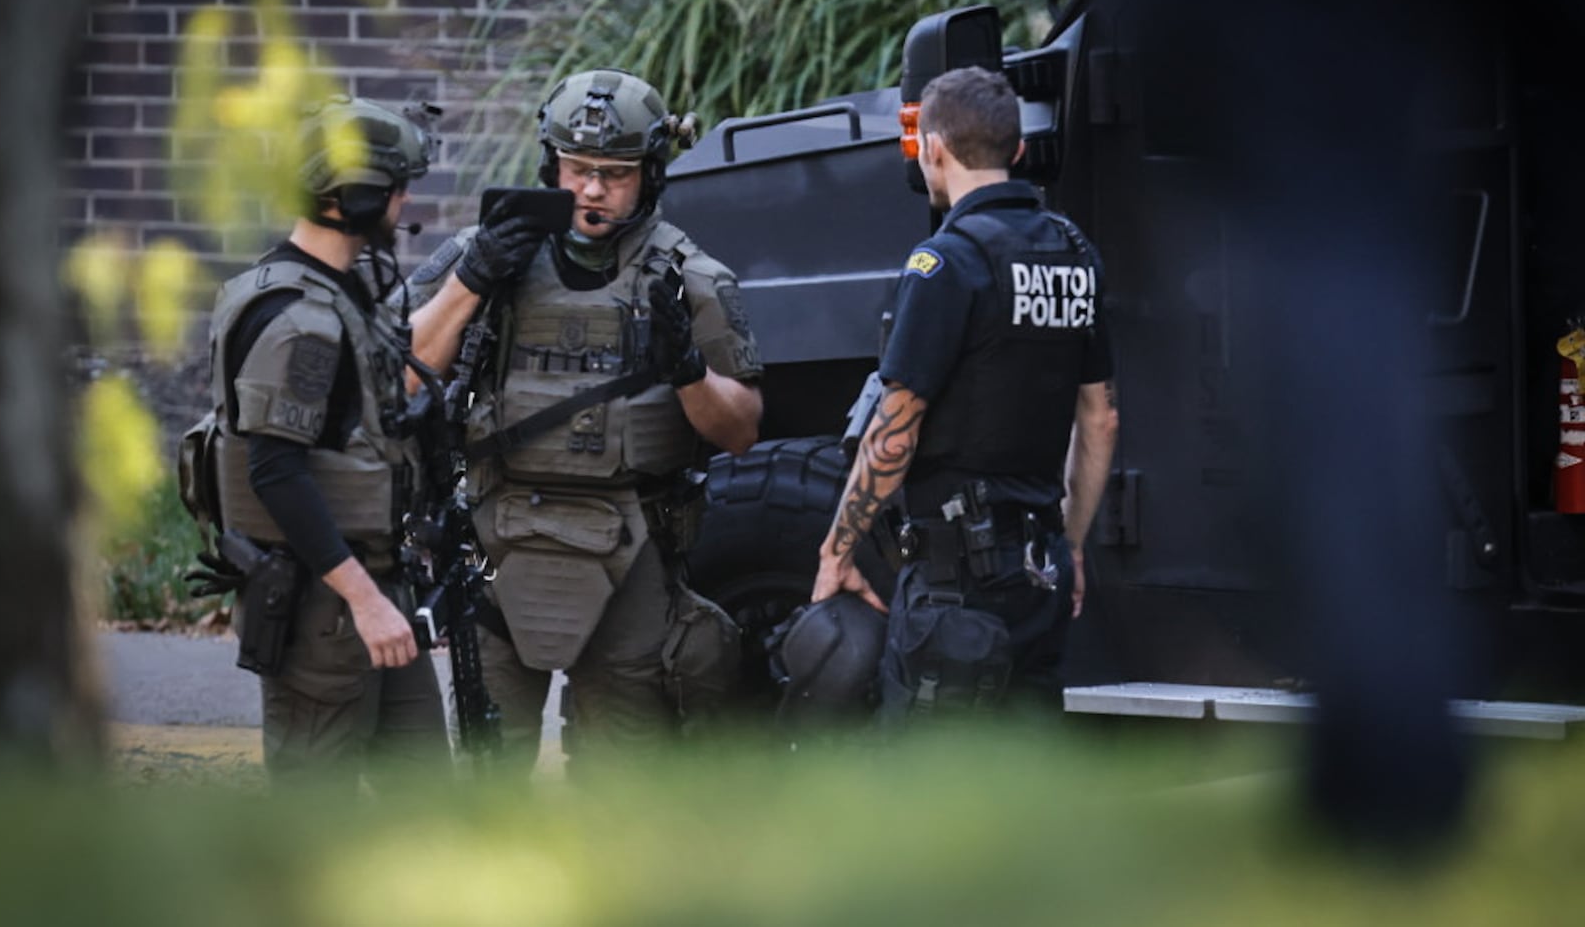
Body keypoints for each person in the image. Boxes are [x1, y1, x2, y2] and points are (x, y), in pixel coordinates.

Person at [403, 69, 763, 772]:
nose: (593, 189)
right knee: (488, 772)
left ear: (650, 175)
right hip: (502, 545)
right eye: (577, 169)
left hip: (630, 551)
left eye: (615, 173)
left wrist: (687, 368)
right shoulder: (491, 254)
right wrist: (472, 277)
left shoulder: (690, 278)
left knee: (623, 779)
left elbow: (741, 427)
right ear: (550, 164)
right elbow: (408, 366)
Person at [811, 65, 1119, 720]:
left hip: (957, 584)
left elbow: (895, 428)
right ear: (1016, 152)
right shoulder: (1075, 253)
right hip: (1043, 570)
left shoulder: (945, 262)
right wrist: (1071, 544)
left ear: (933, 149)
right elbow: (1099, 421)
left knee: (926, 791)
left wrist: (836, 551)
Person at [187, 94, 449, 783]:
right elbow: (274, 470)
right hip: (327, 609)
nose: (403, 202)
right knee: (316, 814)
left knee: (426, 812)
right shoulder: (300, 318)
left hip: (371, 590)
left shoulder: (332, 293)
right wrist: (365, 601)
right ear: (357, 196)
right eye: (395, 187)